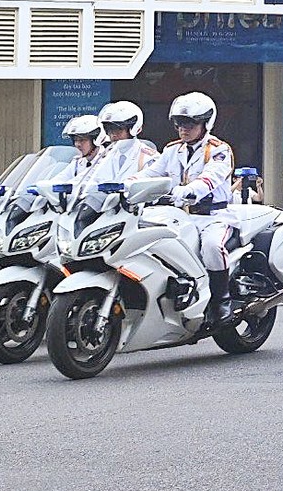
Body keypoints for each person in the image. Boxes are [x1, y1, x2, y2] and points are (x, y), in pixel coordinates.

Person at [142, 92, 240, 325]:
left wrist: (189, 190)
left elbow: (211, 178)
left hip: (214, 217)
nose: (182, 128)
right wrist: (124, 185)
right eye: (179, 123)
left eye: (189, 123)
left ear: (206, 124)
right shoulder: (172, 150)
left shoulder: (218, 150)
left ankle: (221, 300)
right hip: (180, 217)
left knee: (212, 246)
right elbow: (150, 173)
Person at [91, 99, 157, 182]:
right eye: (109, 129)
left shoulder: (148, 158)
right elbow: (87, 178)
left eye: (118, 129)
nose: (113, 134)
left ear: (133, 128)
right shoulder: (105, 157)